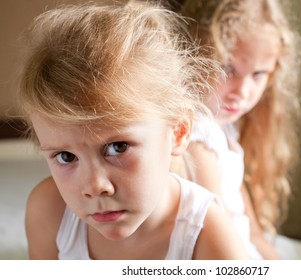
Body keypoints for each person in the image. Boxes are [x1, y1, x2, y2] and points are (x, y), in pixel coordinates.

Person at [18, 0, 249, 260]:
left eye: (118, 147)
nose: (95, 186)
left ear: (179, 131)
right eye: (66, 157)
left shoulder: (207, 236)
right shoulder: (49, 213)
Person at [180, 0, 301, 259]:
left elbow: (253, 230)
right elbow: (216, 234)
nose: (243, 92)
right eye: (228, 68)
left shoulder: (224, 129)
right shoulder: (198, 136)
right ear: (193, 54)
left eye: (259, 74)